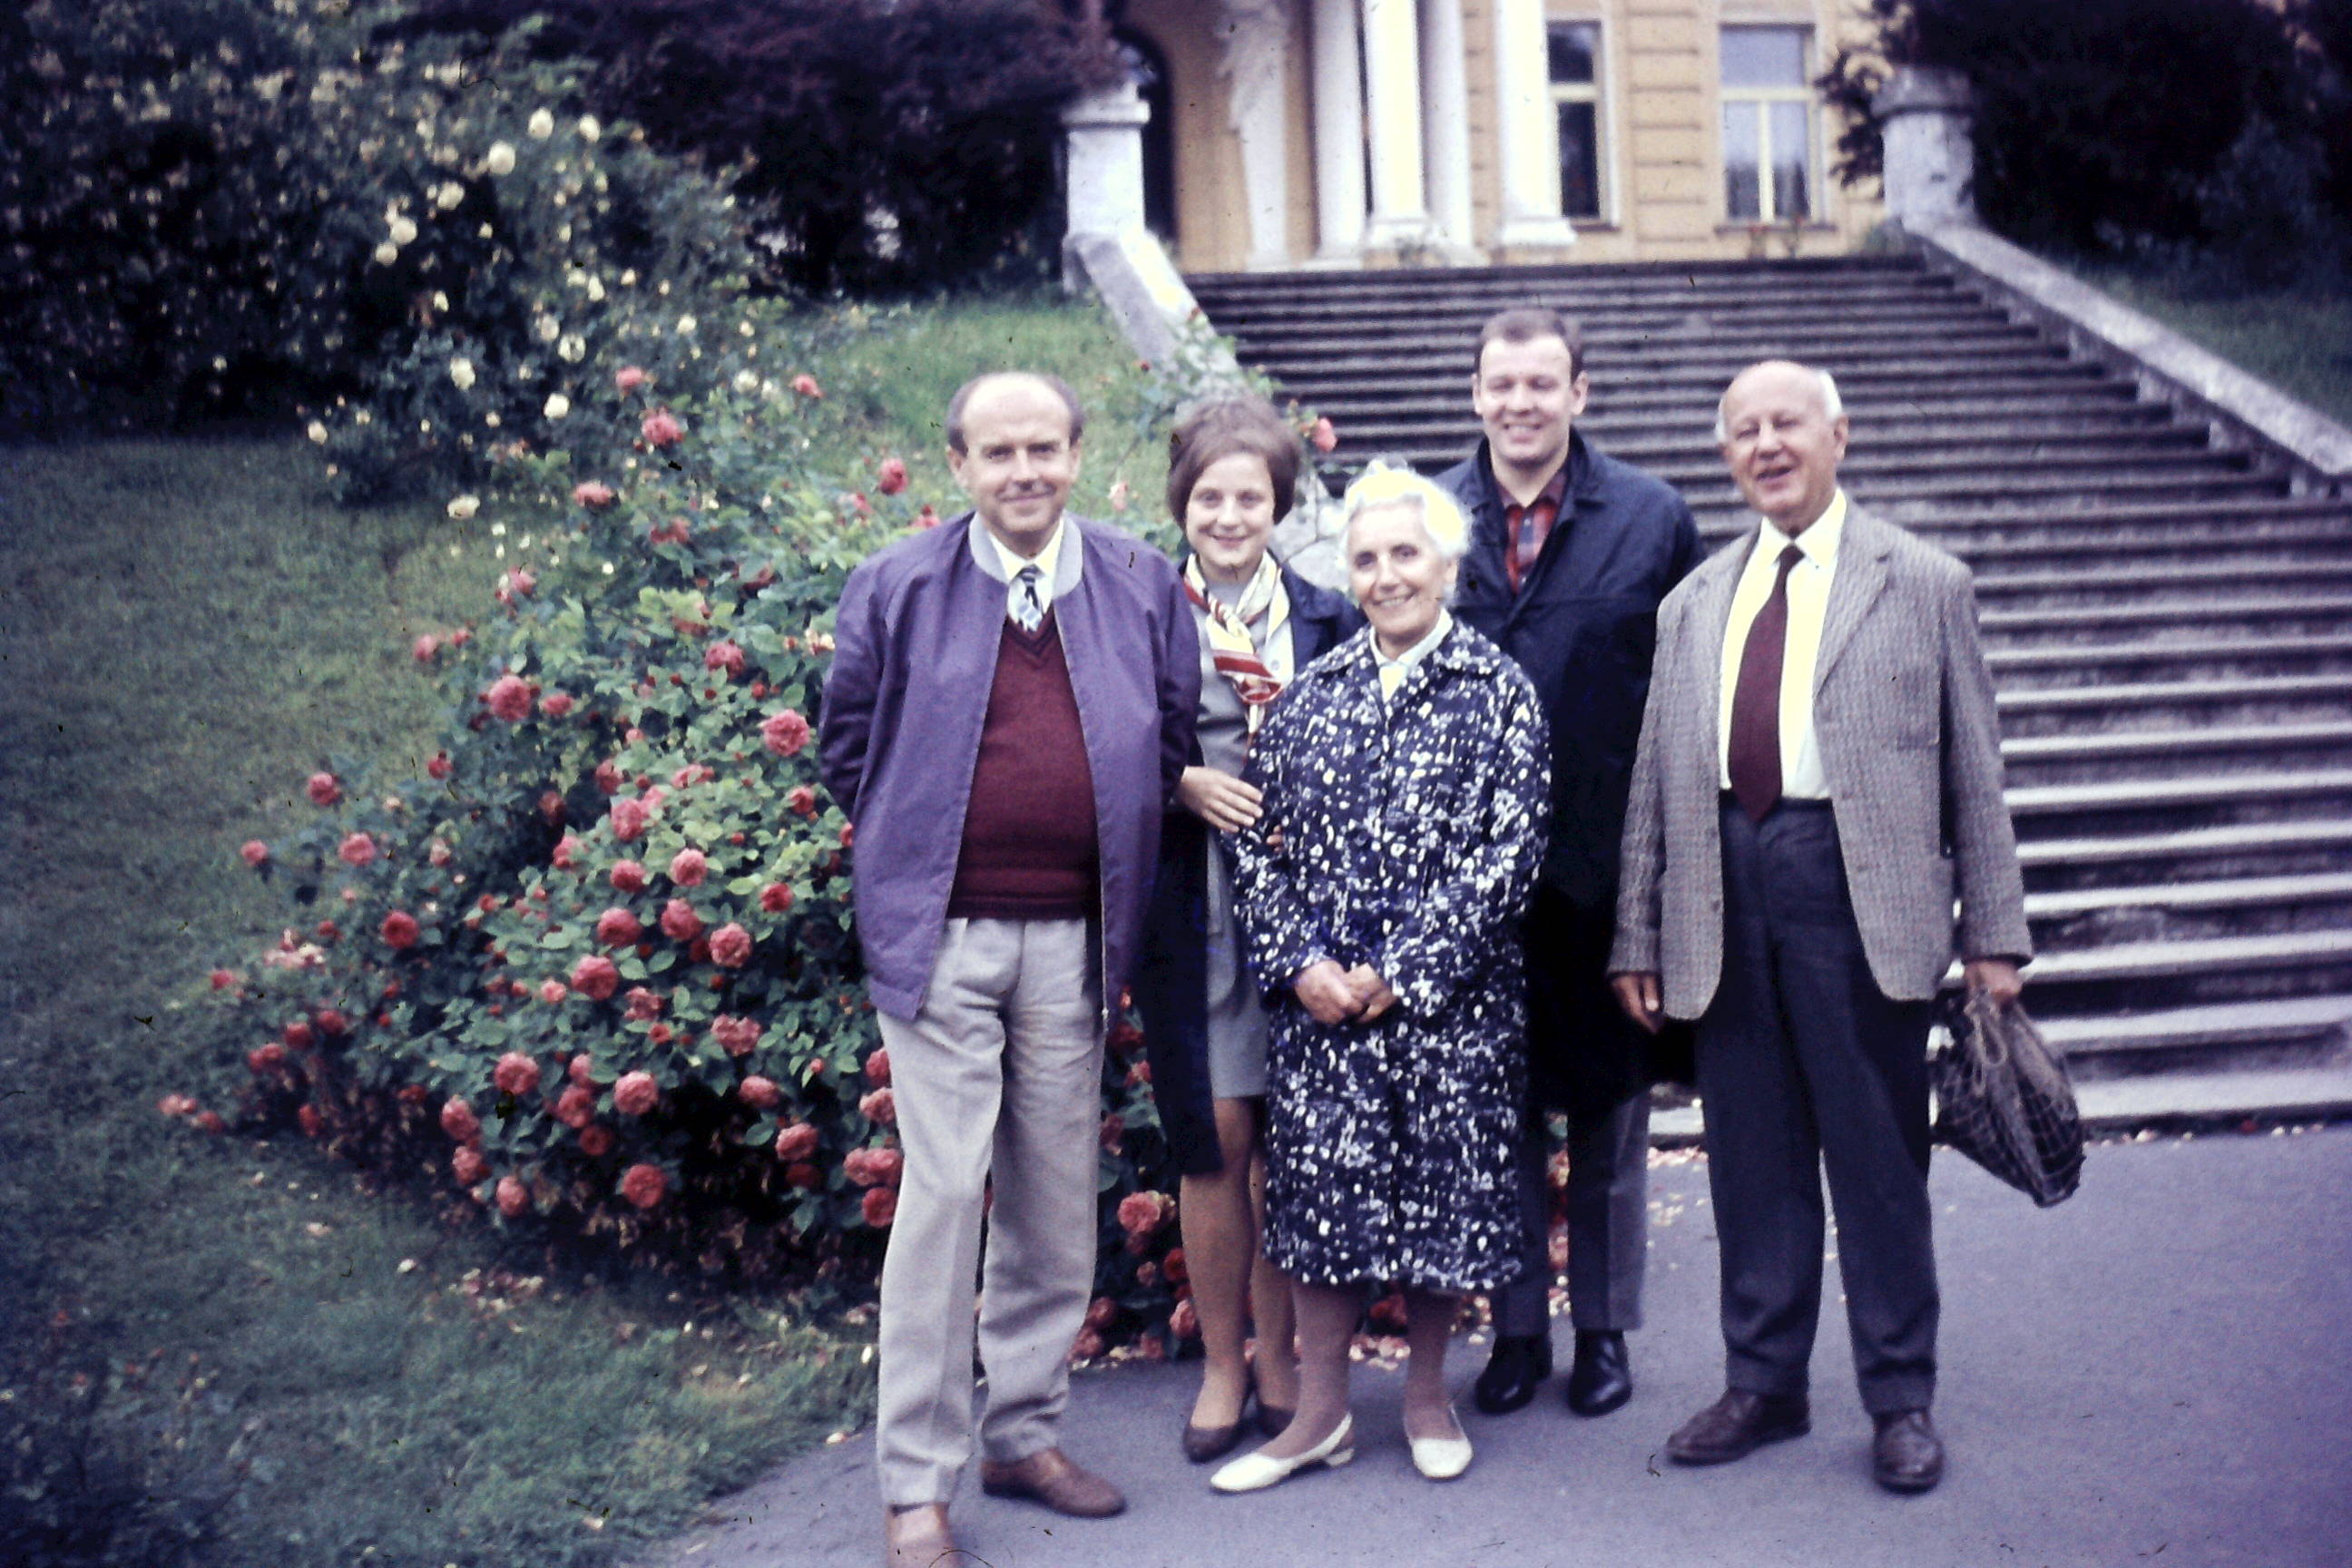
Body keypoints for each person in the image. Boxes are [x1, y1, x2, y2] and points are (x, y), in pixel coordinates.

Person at [1609, 359, 2030, 1494]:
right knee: (1751, 1155)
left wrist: (1993, 933)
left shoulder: (1922, 581)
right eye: (1744, 430)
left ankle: (1900, 1397)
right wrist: (1636, 934)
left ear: (1839, 435)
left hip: (1857, 891)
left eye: (1787, 422)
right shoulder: (1696, 599)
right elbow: (1656, 780)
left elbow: (1974, 773)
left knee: (1878, 1156)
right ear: (1726, 455)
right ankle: (1764, 1384)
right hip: (1721, 890)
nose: (1767, 444)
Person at [818, 371, 1199, 1567]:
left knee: (1053, 1196)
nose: (1024, 470)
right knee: (942, 1200)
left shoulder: (1139, 582)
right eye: (999, 452)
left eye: (1044, 447)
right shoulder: (899, 584)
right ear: (961, 467)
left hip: (1076, 940)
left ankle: (1023, 1434)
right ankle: (916, 1485)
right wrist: (916, 849)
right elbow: (848, 747)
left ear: (1078, 455)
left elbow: (1169, 737)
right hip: (942, 938)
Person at [1210, 466, 1550, 1493]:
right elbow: (1258, 845)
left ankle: (1427, 1399)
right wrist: (1302, 964)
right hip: (1326, 1013)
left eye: (1407, 554)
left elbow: (1510, 853)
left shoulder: (1498, 691)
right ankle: (1318, 1416)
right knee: (1320, 1202)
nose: (1387, 575)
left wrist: (1405, 969)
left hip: (1450, 1008)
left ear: (1448, 566)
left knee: (1442, 1197)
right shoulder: (1312, 695)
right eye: (1366, 558)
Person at [1438, 306, 1702, 1420]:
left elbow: (1684, 696)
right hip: (1467, 879)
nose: (1520, 404)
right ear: (1476, 394)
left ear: (1579, 393)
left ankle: (1602, 1331)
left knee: (1608, 1114)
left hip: (1602, 874)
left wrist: (1662, 883)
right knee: (1494, 1112)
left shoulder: (1650, 517)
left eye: (1542, 384)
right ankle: (1516, 1334)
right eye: (1501, 385)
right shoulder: (1429, 516)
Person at [1131, 397, 1361, 1464]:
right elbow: (1099, 741)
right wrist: (1179, 780)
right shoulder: (1142, 615)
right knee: (1218, 1136)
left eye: (1251, 498)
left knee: (1291, 1141)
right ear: (1182, 504)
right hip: (1200, 905)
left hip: (1311, 904)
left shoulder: (1327, 617)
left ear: (1280, 506)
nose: (1229, 517)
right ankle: (1223, 1362)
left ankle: (1282, 1360)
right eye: (1210, 498)